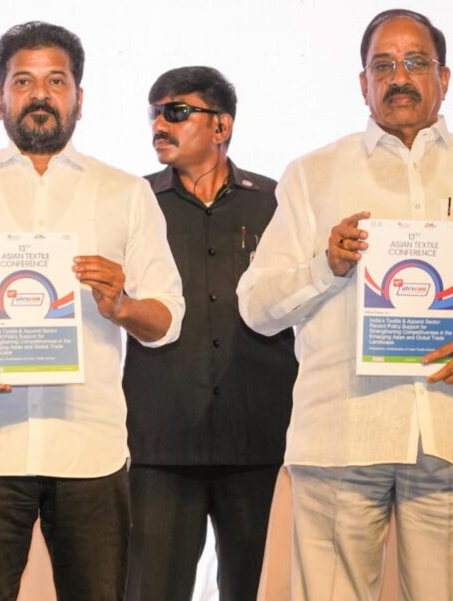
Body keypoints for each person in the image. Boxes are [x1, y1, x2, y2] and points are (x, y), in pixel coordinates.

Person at [237, 9, 453, 600]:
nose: (399, 77)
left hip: (452, 434)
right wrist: (326, 266)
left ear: (443, 78)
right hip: (341, 434)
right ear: (363, 83)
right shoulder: (312, 175)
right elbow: (256, 306)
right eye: (383, 65)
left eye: (415, 62)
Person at [0, 21, 184, 601]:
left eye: (56, 80)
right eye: (23, 81)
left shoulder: (125, 192)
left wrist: (121, 306)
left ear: (79, 97)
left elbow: (166, 319)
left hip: (90, 451)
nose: (40, 94)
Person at [123, 67, 296, 601]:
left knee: (257, 591)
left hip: (257, 437)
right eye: (154, 112)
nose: (160, 123)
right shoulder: (133, 202)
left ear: (221, 126)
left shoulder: (275, 203)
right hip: (161, 442)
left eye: (176, 111)